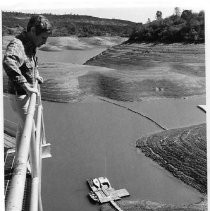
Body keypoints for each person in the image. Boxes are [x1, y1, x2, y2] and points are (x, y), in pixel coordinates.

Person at [3, 15, 52, 157]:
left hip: (24, 96)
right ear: (32, 30)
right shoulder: (18, 44)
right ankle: (28, 165)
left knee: (22, 128)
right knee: (32, 131)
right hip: (20, 96)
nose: (44, 42)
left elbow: (28, 64)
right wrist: (25, 84)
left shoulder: (30, 44)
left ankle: (19, 156)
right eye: (43, 38)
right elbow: (8, 62)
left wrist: (35, 75)